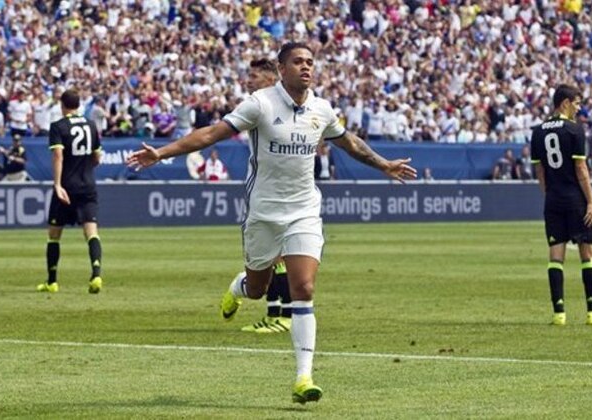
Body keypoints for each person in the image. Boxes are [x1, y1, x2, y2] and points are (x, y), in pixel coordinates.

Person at [127, 42, 417, 404]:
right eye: (298, 61)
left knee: (304, 288)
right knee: (258, 288)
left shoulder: (321, 109)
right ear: (282, 68)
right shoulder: (260, 104)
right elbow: (211, 134)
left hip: (304, 210)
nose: (306, 67)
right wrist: (162, 152)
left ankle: (303, 377)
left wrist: (384, 164)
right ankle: (238, 287)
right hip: (263, 213)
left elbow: (349, 143)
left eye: (310, 62)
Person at [530, 84, 592, 327]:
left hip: (553, 200)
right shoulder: (575, 130)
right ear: (564, 103)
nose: (579, 108)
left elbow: (540, 172)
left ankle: (559, 314)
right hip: (575, 199)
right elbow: (581, 169)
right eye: (576, 103)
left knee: (556, 255)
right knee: (588, 253)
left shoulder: (538, 131)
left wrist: (549, 195)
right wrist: (591, 202)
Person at [239, 57, 294, 334]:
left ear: (271, 78)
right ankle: (275, 315)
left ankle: (284, 315)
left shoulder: (285, 104)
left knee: (278, 258)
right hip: (269, 190)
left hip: (282, 193)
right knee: (272, 257)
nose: (249, 81)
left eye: (254, 76)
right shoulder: (258, 104)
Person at [37, 89, 104, 295]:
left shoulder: (58, 126)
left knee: (54, 235)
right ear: (78, 104)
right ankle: (96, 274)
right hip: (87, 185)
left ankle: (52, 281)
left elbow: (58, 155)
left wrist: (57, 184)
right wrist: (84, 168)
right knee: (91, 232)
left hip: (66, 186)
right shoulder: (91, 125)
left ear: (62, 105)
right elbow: (97, 158)